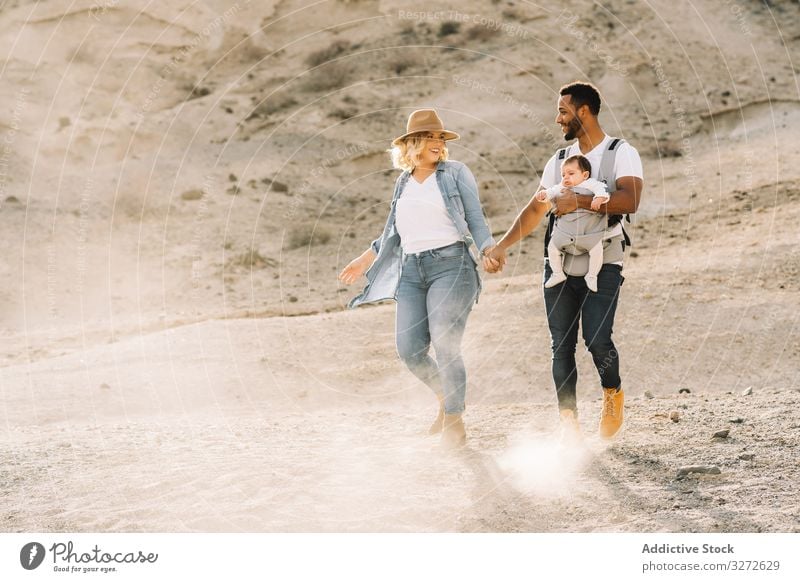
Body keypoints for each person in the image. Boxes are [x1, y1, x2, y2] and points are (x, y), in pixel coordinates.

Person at [339, 109, 504, 449]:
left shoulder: (455, 173)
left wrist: (488, 248)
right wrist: (364, 258)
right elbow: (392, 232)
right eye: (430, 137)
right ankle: (446, 397)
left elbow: (475, 216)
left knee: (445, 344)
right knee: (410, 349)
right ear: (412, 143)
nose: (438, 143)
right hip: (412, 272)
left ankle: (455, 421)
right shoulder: (403, 182)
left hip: (451, 266)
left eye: (440, 138)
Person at [487, 82, 643, 441]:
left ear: (583, 112)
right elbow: (535, 209)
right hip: (558, 260)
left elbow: (631, 200)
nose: (557, 119)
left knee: (597, 340)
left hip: (604, 260)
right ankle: (568, 422)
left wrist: (582, 202)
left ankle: (612, 394)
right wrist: (502, 245)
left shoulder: (621, 152)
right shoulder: (559, 161)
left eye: (562, 111)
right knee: (561, 343)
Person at [535, 154, 612, 292]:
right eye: (563, 174)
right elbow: (551, 192)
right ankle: (557, 274)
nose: (566, 177)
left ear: (585, 174)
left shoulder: (590, 184)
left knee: (597, 251)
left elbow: (603, 190)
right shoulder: (561, 187)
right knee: (552, 247)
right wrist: (544, 195)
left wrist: (599, 198)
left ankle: (592, 276)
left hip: (588, 232)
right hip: (565, 232)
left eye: (571, 173)